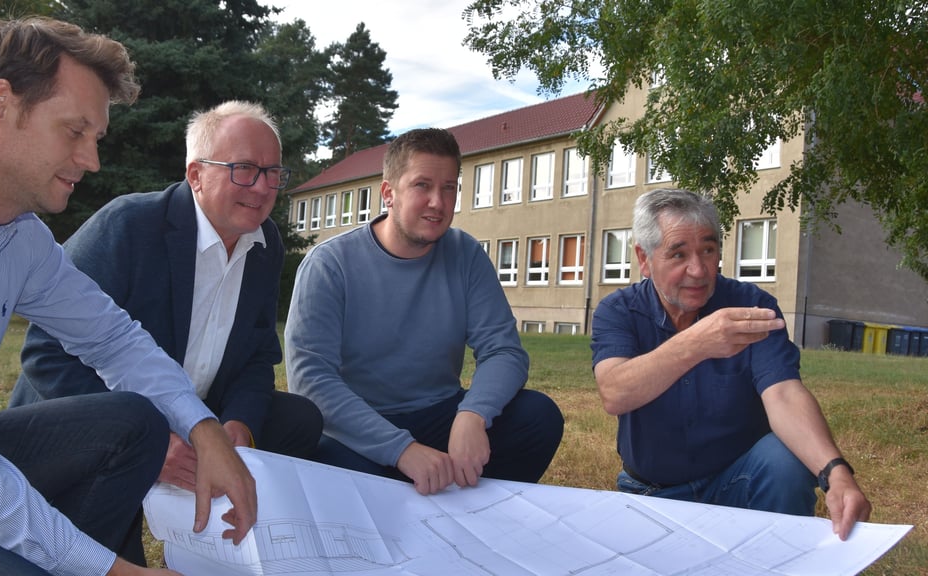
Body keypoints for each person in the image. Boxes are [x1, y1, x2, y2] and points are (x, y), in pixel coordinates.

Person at [0, 17, 256, 576]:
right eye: (74, 131)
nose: (91, 161)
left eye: (95, 139)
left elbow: (113, 338)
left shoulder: (20, 235)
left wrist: (202, 428)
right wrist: (113, 573)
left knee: (135, 422)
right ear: (0, 103)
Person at [12, 100, 323, 561]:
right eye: (243, 169)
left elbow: (258, 356)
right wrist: (157, 444)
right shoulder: (128, 226)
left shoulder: (265, 244)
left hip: (197, 411)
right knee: (108, 556)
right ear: (196, 175)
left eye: (273, 172)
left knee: (300, 419)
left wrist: (238, 427)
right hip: (92, 418)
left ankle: (248, 539)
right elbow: (45, 354)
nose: (261, 187)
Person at [285, 128, 564, 496]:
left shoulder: (464, 254)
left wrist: (473, 415)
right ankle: (406, 489)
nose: (438, 201)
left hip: (440, 413)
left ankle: (476, 514)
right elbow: (310, 380)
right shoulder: (330, 264)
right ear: (389, 193)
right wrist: (401, 450)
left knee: (538, 417)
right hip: (360, 425)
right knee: (332, 471)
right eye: (422, 186)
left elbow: (504, 350)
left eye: (449, 188)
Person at [590, 187, 872, 540]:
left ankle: (776, 557)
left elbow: (783, 393)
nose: (698, 269)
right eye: (678, 254)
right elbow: (615, 392)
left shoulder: (751, 306)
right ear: (644, 259)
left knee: (784, 460)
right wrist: (698, 342)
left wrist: (836, 472)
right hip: (652, 490)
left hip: (738, 479)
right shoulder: (618, 310)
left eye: (708, 250)